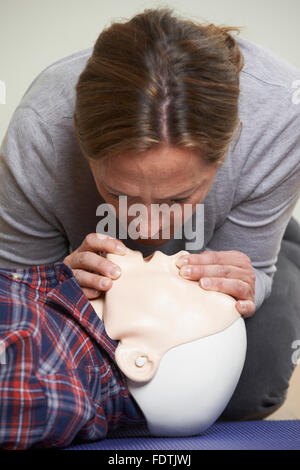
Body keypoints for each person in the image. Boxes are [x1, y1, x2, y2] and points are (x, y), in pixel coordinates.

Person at [0, 7, 300, 447]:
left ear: (225, 153)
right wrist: (54, 284)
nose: (151, 234)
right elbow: (15, 289)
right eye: (120, 192)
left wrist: (248, 278)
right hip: (70, 246)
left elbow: (252, 267)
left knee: (251, 389)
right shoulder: (41, 133)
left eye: (178, 198)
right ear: (83, 150)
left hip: (226, 234)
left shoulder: (280, 118)